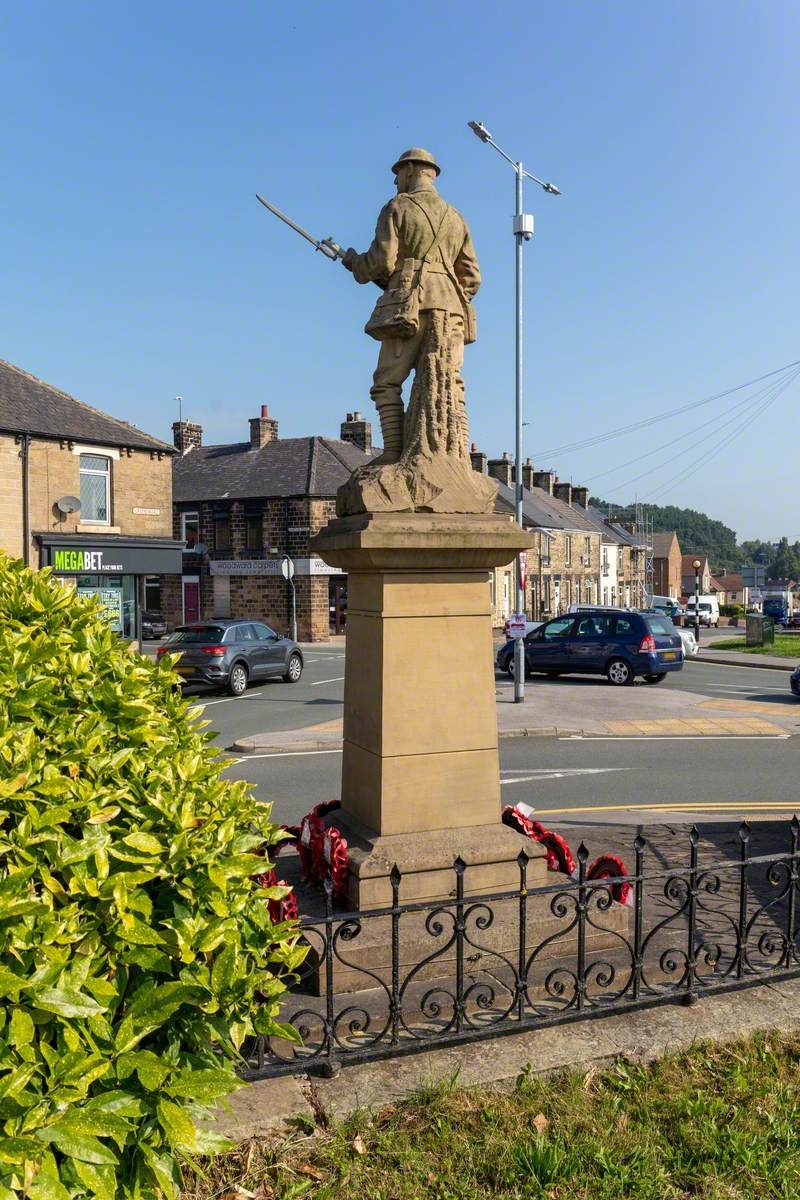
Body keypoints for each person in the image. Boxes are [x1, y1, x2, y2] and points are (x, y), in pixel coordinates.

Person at [341, 148, 480, 465]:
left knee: (386, 382)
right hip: (453, 311)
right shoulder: (457, 218)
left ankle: (392, 454)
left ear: (410, 170)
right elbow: (472, 277)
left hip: (411, 311)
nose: (395, 180)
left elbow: (381, 261)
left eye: (398, 173)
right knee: (452, 384)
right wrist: (447, 295)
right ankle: (459, 459)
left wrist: (354, 264)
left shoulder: (398, 207)